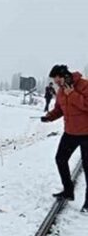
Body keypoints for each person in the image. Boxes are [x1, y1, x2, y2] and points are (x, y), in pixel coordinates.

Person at [41, 64, 88, 210]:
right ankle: (68, 191)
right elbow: (59, 109)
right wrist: (49, 117)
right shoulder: (61, 91)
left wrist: (72, 94)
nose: (57, 84)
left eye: (57, 81)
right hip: (70, 132)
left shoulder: (84, 85)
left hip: (87, 134)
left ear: (64, 76)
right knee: (60, 159)